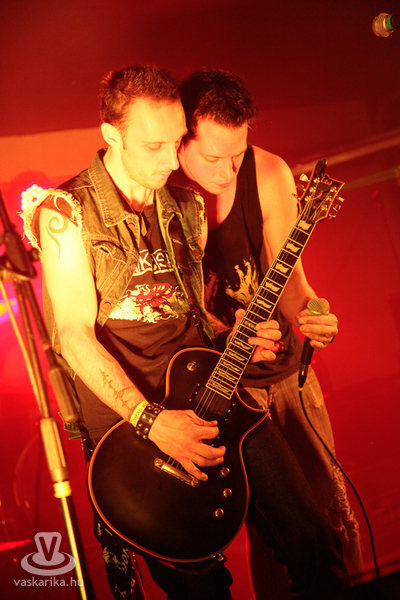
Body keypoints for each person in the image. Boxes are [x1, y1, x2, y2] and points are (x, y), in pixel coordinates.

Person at [21, 65, 350, 600]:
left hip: (212, 394)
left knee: (316, 542)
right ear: (111, 135)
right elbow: (73, 336)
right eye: (154, 146)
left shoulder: (186, 205)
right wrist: (151, 420)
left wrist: (234, 334)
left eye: (176, 143)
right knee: (200, 588)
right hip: (134, 430)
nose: (171, 161)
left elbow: (189, 316)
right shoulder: (65, 212)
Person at [171, 68, 364, 598]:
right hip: (225, 388)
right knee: (276, 529)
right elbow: (171, 316)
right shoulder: (161, 196)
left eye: (237, 154)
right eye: (213, 157)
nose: (227, 170)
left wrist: (314, 314)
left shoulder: (269, 172)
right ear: (181, 140)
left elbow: (293, 283)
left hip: (287, 372)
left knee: (330, 511)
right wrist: (222, 333)